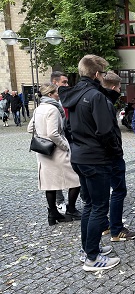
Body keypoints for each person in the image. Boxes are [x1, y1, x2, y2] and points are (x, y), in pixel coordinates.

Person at [59, 54, 121, 272]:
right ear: (96, 74)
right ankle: (92, 258)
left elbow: (66, 128)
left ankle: (88, 248)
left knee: (89, 205)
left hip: (80, 157)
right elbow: (106, 132)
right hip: (95, 160)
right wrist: (114, 154)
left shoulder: (73, 95)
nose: (103, 77)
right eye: (102, 74)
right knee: (98, 207)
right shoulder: (95, 96)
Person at [27, 83, 82, 225]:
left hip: (43, 151)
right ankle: (71, 209)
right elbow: (53, 133)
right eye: (56, 92)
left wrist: (41, 135)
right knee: (76, 179)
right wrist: (64, 146)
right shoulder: (53, 109)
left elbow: (30, 128)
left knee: (50, 183)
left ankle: (53, 213)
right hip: (56, 151)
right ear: (50, 95)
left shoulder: (39, 108)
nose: (59, 94)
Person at [101, 71, 135, 242]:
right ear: (116, 87)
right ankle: (116, 229)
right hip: (109, 156)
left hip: (93, 156)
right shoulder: (105, 102)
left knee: (101, 192)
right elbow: (107, 132)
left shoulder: (92, 99)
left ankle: (105, 225)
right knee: (118, 190)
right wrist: (116, 151)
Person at [51, 71, 70, 211]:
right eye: (63, 82)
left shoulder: (66, 99)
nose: (66, 85)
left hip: (69, 139)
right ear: (55, 83)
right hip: (57, 144)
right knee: (56, 174)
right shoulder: (48, 104)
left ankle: (75, 202)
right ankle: (59, 201)